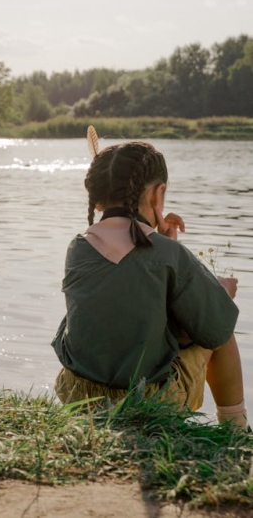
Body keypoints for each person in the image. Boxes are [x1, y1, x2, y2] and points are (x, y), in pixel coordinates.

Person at [52, 138, 247, 429]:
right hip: (146, 401)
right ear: (159, 194)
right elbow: (214, 326)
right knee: (223, 330)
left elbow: (127, 300)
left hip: (79, 394)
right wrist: (223, 293)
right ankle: (236, 430)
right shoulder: (169, 255)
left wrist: (164, 244)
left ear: (98, 199)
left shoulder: (78, 248)